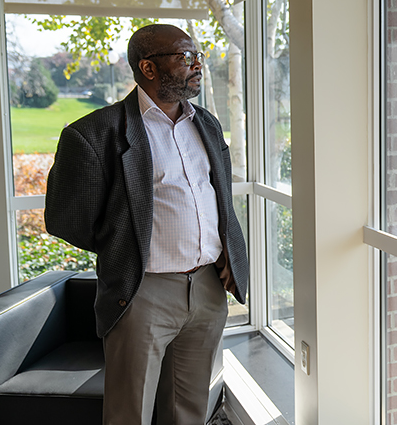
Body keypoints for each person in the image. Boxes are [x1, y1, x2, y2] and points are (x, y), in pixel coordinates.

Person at [44, 24, 249, 425]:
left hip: (207, 290)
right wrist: (127, 244)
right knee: (129, 414)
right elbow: (67, 220)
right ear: (149, 68)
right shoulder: (92, 133)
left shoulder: (204, 123)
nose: (197, 65)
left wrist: (224, 249)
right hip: (142, 294)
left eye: (198, 56)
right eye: (185, 56)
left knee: (189, 411)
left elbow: (217, 198)